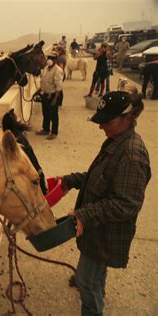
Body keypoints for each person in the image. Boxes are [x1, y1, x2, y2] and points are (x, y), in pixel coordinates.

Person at [59, 91, 151, 316]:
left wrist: (85, 214)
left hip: (106, 232)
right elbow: (101, 176)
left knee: (86, 282)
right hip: (97, 228)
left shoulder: (131, 155)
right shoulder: (116, 140)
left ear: (128, 119)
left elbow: (127, 203)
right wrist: (72, 180)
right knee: (94, 273)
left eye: (106, 121)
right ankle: (96, 287)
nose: (101, 128)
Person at [35, 52, 64, 140]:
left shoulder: (58, 70)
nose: (49, 59)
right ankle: (45, 129)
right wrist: (39, 91)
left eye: (52, 58)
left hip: (53, 95)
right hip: (45, 94)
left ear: (55, 60)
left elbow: (58, 86)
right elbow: (43, 81)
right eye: (49, 57)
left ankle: (54, 132)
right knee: (45, 113)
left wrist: (55, 99)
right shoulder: (46, 68)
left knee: (53, 114)